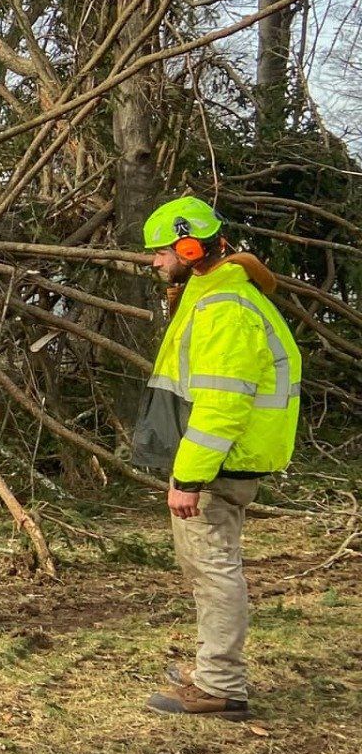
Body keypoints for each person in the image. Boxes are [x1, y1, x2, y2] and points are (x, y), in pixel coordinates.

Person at [132, 197, 301, 720]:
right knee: (206, 567)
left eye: (161, 252)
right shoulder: (214, 293)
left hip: (218, 464)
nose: (155, 262)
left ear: (189, 248)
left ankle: (220, 685)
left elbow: (222, 405)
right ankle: (212, 670)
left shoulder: (226, 310)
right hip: (222, 461)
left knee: (212, 569)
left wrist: (188, 477)